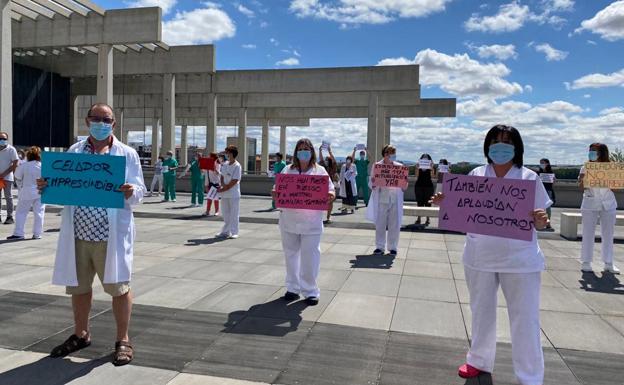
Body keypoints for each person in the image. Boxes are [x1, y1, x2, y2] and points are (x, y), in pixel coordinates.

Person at [431, 124, 551, 385]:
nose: (500, 146)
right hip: (479, 257)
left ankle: (530, 376)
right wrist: (445, 202)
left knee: (525, 319)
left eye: (507, 141)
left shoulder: (529, 177)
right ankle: (478, 360)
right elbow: (462, 207)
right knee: (480, 311)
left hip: (520, 261)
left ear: (517, 147)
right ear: (487, 146)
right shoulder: (476, 174)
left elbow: (541, 219)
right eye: (495, 141)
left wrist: (541, 220)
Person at [40, 103, 145, 366]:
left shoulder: (127, 154)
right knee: (79, 287)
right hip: (78, 233)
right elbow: (63, 185)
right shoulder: (74, 152)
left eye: (106, 119)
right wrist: (47, 185)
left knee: (118, 288)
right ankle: (81, 334)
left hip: (111, 236)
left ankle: (123, 339)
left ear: (114, 123)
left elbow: (141, 190)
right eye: (96, 118)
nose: (101, 122)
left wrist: (132, 191)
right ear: (87, 121)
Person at [272, 138, 336, 306]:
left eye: (306, 148)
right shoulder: (287, 170)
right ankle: (293, 288)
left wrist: (331, 196)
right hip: (289, 220)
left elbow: (330, 189)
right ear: (296, 152)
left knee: (310, 256)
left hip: (311, 222)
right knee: (290, 254)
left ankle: (310, 290)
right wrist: (275, 192)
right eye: (300, 149)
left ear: (312, 151)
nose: (303, 151)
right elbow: (278, 188)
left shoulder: (320, 171)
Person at [578, 143, 620, 274]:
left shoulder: (612, 167)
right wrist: (584, 179)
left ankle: (608, 263)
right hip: (590, 203)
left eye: (594, 151)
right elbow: (580, 187)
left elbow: (615, 188)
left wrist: (609, 179)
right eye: (590, 151)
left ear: (602, 152)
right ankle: (586, 262)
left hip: (608, 203)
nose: (591, 153)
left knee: (608, 233)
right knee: (588, 232)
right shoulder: (585, 167)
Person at [367, 145, 406, 256]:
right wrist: (374, 183)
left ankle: (393, 247)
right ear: (385, 154)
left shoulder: (399, 167)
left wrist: (405, 183)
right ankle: (380, 247)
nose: (393, 156)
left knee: (394, 224)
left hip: (394, 199)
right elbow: (371, 183)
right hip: (381, 199)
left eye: (394, 153)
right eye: (391, 153)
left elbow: (404, 187)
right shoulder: (377, 166)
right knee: (380, 224)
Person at [7, 146, 45, 240]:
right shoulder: (43, 166)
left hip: (27, 191)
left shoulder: (24, 165)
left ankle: (19, 233)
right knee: (39, 213)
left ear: (28, 156)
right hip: (41, 191)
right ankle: (37, 234)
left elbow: (17, 177)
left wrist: (21, 186)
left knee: (21, 212)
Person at [216, 145, 242, 239]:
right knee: (226, 213)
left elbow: (234, 181)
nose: (226, 154)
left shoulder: (237, 166)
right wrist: (222, 185)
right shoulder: (225, 164)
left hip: (233, 193)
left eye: (228, 153)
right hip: (225, 193)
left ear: (232, 154)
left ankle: (234, 231)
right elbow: (222, 176)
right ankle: (225, 231)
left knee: (234, 213)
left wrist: (224, 188)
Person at [0, 131, 19, 224]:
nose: (2, 140)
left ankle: (10, 216)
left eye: (4, 139)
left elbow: (15, 163)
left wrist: (4, 174)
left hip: (7, 177)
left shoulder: (11, 149)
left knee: (8, 197)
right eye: (1, 139)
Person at [414, 153, 436, 226]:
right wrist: (417, 168)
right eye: (423, 158)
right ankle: (419, 218)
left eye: (426, 159)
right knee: (419, 202)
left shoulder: (431, 167)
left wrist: (432, 168)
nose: (425, 160)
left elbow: (432, 176)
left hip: (428, 186)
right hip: (419, 186)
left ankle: (427, 218)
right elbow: (416, 175)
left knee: (428, 203)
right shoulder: (418, 166)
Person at [318, 145, 338, 224]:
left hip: (330, 186)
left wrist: (330, 152)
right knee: (320, 202)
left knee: (330, 202)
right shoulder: (323, 167)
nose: (326, 160)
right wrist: (320, 151)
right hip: (322, 186)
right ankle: (320, 217)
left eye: (327, 159)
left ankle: (328, 217)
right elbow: (321, 159)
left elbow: (334, 161)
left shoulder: (332, 167)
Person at [537, 158, 555, 231]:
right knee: (538, 207)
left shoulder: (551, 173)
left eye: (543, 163)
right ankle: (538, 223)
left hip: (548, 190)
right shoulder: (538, 172)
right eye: (540, 163)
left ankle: (548, 223)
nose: (541, 164)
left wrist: (553, 181)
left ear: (547, 164)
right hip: (539, 190)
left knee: (548, 208)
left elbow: (552, 184)